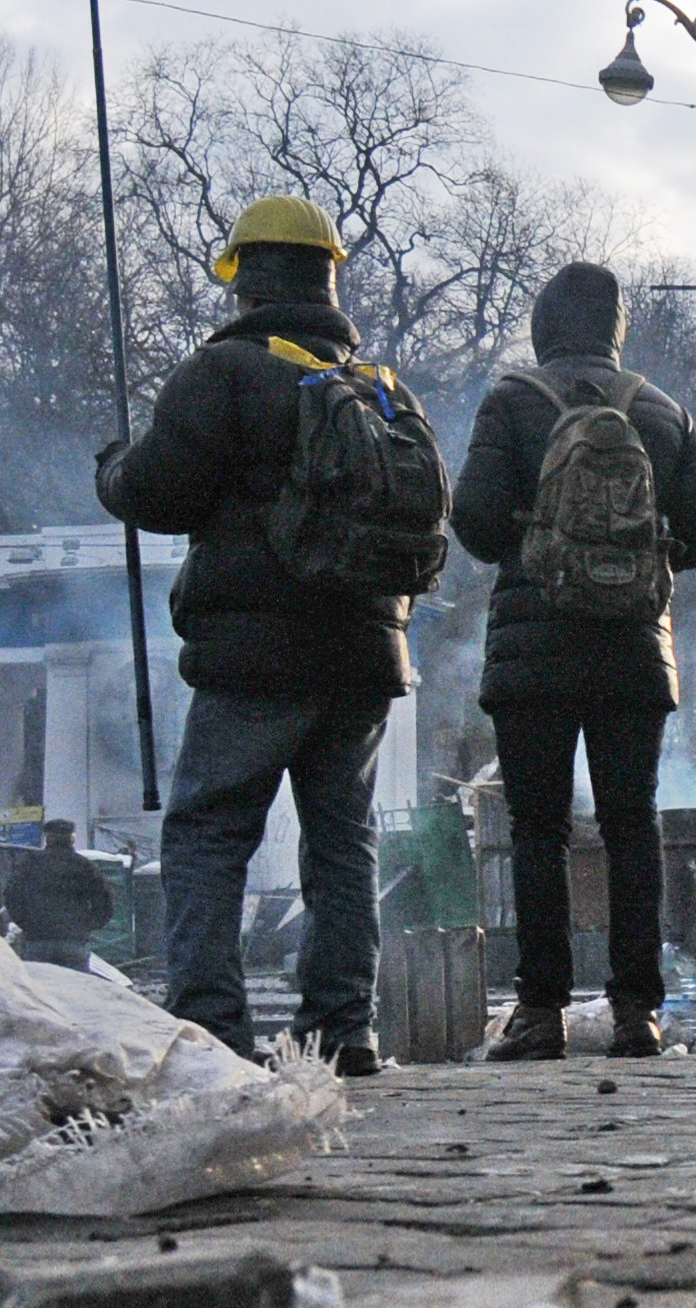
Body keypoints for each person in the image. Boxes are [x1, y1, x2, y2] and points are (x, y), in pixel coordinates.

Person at [101, 194, 443, 1072]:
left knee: (209, 832)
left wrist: (112, 468)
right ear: (328, 277)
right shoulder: (383, 389)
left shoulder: (225, 374)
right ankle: (346, 1029)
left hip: (255, 650)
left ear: (243, 280)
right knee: (345, 841)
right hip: (369, 653)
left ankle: (212, 1030)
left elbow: (158, 494)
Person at [450, 260, 696, 1062]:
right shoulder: (660, 411)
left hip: (532, 652)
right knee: (629, 825)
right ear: (616, 330)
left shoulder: (511, 402)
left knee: (537, 828)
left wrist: (534, 541)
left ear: (543, 328)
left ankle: (541, 1013)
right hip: (634, 653)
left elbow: (468, 520)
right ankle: (637, 1010)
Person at [1, 818, 119, 972]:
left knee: (40, 990)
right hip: (74, 941)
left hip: (38, 940)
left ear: (48, 838)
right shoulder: (84, 865)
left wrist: (26, 923)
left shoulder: (30, 863)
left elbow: (12, 895)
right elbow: (105, 899)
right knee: (75, 990)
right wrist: (89, 925)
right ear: (72, 839)